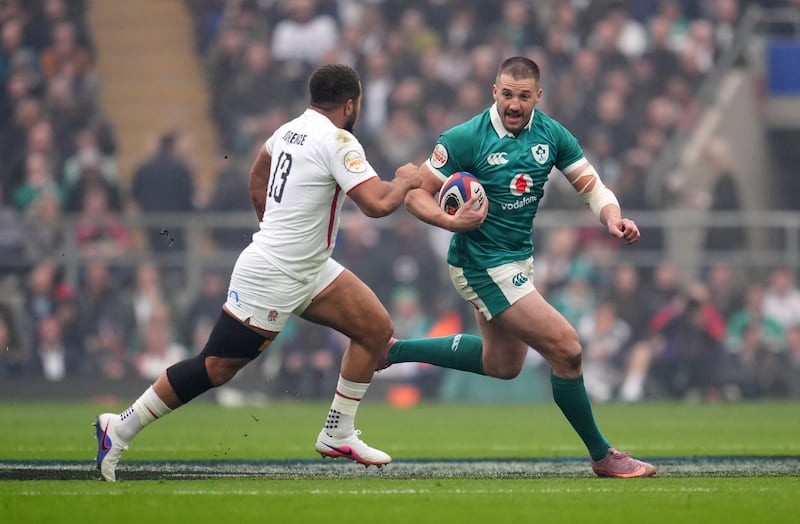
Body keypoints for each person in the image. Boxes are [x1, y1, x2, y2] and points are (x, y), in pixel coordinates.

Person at [94, 64, 474, 482]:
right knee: (216, 367)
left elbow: (259, 168)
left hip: (309, 265)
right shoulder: (339, 140)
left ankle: (338, 432)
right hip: (274, 270)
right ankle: (121, 426)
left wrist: (268, 217)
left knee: (374, 328)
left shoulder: (291, 129)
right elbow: (378, 204)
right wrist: (404, 180)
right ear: (351, 103)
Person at [382, 56, 656, 478]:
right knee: (567, 348)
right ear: (494, 92)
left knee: (503, 365)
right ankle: (603, 455)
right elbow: (417, 194)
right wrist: (452, 221)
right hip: (480, 263)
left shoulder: (551, 134)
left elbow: (592, 186)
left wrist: (613, 218)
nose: (514, 104)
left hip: (516, 260)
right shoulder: (465, 138)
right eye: (507, 94)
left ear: (537, 97)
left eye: (523, 96)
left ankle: (393, 350)